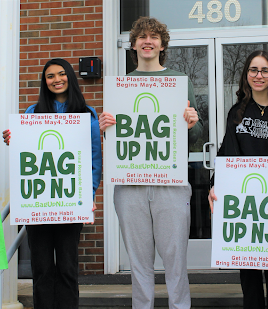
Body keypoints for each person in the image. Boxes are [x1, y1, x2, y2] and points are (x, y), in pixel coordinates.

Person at [99, 16, 202, 309]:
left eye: (154, 37)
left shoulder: (180, 81)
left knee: (175, 261)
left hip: (170, 184)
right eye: (142, 37)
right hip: (130, 186)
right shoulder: (120, 84)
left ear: (162, 44)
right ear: (133, 44)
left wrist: (194, 123)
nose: (148, 41)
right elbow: (116, 142)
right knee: (139, 263)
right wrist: (104, 127)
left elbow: (196, 136)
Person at [208, 50, 268, 309]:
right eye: (253, 70)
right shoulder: (237, 112)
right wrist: (214, 186)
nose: (258, 75)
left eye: (264, 70)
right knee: (248, 276)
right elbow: (225, 154)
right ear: (246, 75)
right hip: (244, 206)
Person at [2, 58, 102, 309]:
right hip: (38, 203)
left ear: (70, 76)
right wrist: (13, 141)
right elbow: (26, 154)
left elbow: (94, 160)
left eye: (61, 74)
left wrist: (89, 196)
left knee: (68, 268)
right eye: (50, 76)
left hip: (70, 201)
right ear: (44, 82)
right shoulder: (32, 113)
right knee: (42, 268)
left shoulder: (86, 114)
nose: (56, 79)